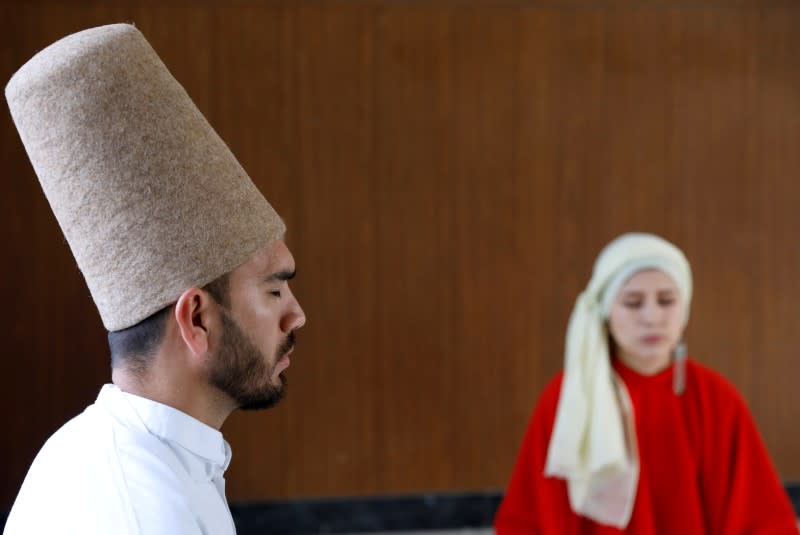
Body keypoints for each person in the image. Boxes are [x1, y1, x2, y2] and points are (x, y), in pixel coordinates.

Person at [3, 24, 305, 534]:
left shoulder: (113, 452)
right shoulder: (142, 514)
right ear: (196, 318)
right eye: (274, 289)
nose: (297, 313)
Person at [494, 233, 797, 534]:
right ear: (606, 311)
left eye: (666, 301)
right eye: (633, 303)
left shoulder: (716, 398)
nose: (652, 317)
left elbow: (763, 519)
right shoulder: (569, 398)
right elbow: (528, 518)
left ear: (685, 307)